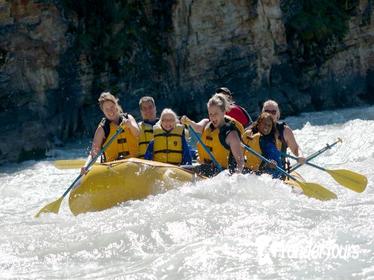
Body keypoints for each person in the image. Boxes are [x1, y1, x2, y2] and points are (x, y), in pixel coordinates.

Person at [181, 93, 244, 176]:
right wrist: (188, 122)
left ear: (223, 112)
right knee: (180, 169)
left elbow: (240, 162)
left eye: (216, 114)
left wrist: (234, 178)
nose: (213, 117)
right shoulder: (206, 123)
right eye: (210, 114)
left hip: (222, 174)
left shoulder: (231, 134)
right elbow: (197, 127)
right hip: (206, 170)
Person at [81, 92, 140, 174]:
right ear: (103, 111)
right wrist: (86, 165)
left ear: (116, 105)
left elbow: (137, 133)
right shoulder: (102, 128)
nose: (110, 111)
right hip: (113, 168)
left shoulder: (128, 118)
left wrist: (130, 125)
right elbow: (94, 152)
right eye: (107, 109)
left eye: (112, 107)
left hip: (133, 164)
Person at [261, 100, 305, 168]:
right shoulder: (254, 129)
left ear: (277, 114)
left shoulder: (285, 131)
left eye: (273, 112)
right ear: (262, 113)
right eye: (267, 111)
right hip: (258, 171)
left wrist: (300, 155)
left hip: (279, 172)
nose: (270, 114)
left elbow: (296, 148)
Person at [242, 112, 282, 178]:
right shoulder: (248, 134)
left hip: (263, 173)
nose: (266, 127)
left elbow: (275, 158)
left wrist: (271, 165)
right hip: (246, 170)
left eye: (269, 126)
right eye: (264, 124)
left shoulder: (269, 143)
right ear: (259, 124)